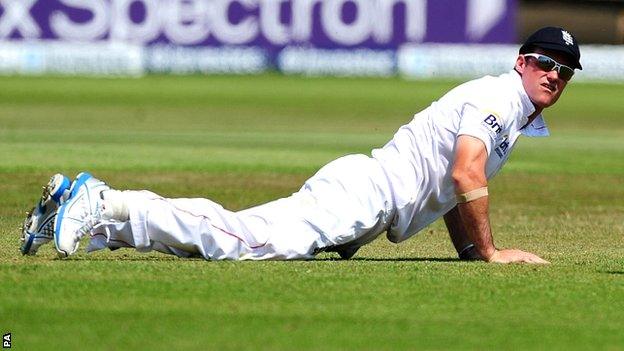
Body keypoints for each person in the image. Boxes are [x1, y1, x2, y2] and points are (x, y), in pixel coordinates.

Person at [21, 27, 582, 263]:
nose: (554, 75)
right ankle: (106, 201)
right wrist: (490, 253)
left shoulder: (511, 108)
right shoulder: (500, 97)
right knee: (242, 240)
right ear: (521, 62)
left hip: (367, 200)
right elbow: (465, 176)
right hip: (367, 193)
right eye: (546, 63)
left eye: (566, 71)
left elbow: (453, 186)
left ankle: (90, 215)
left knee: (240, 234)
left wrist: (467, 253)